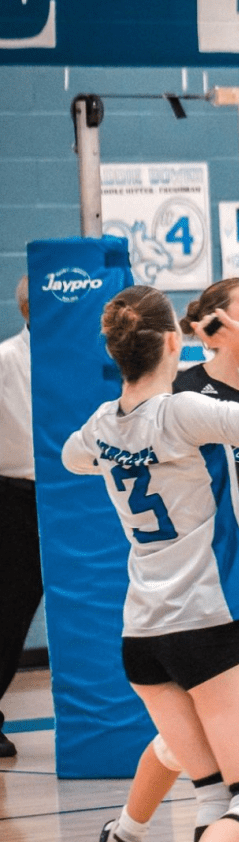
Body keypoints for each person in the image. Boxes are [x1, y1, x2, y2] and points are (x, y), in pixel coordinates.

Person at [62, 285, 239, 842]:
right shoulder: (184, 411)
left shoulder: (103, 423)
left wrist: (118, 457)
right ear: (174, 342)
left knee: (217, 793)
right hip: (206, 624)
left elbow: (71, 457)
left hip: (142, 635)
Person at [0, 276, 44, 759]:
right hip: (16, 498)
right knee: (10, 615)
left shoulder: (89, 363)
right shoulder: (6, 359)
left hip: (80, 498)